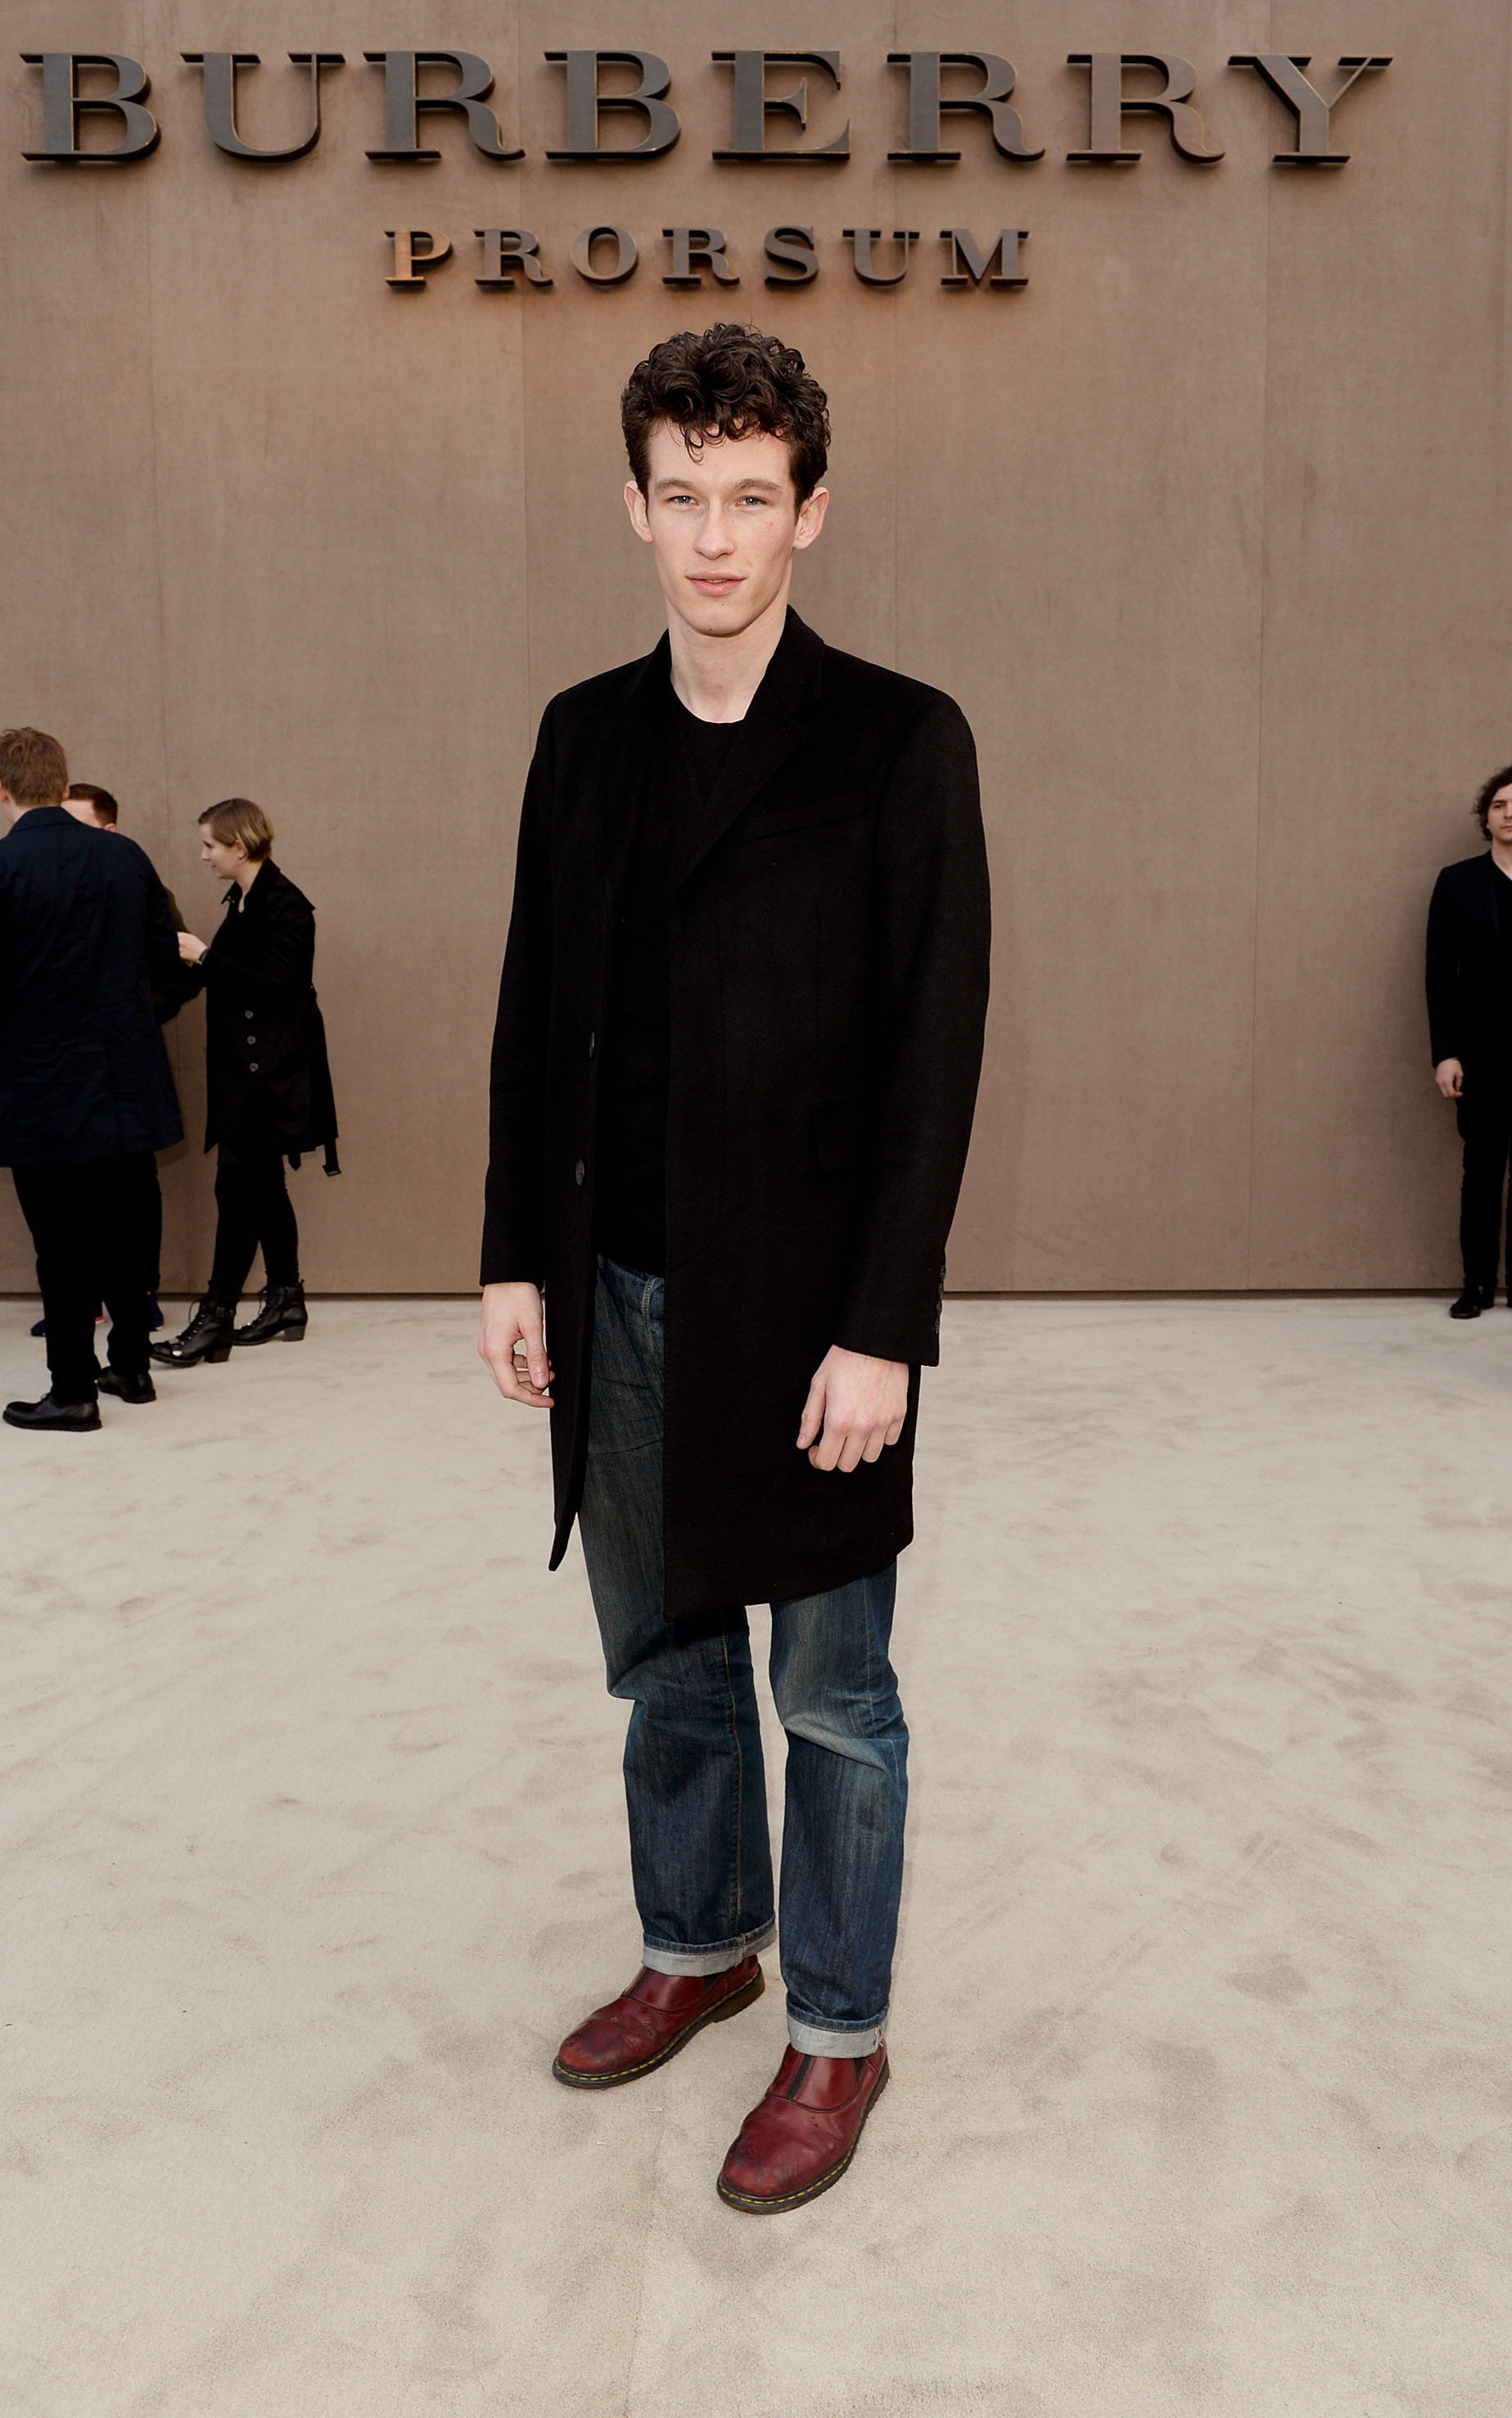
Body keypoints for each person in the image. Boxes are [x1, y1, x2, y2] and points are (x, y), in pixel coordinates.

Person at [477, 324, 991, 2214]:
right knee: (663, 1667)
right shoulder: (579, 735)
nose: (712, 538)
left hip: (803, 1318)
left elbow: (933, 1050)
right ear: (632, 505)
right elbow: (539, 1015)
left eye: (748, 498)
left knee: (834, 1693)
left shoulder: (895, 738)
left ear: (809, 510)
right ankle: (700, 1945)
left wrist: (882, 1327)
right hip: (609, 1284)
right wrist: (513, 1258)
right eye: (679, 498)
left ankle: (834, 2035)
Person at [0, 727, 184, 1426]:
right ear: (61, 779)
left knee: (60, 1246)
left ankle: (73, 1389)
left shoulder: (4, 867)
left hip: (40, 1087)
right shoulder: (124, 857)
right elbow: (166, 963)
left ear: (4, 789)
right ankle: (132, 1370)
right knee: (125, 1235)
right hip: (125, 1081)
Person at [153, 798, 338, 1367]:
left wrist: (205, 958)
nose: (203, 855)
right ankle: (285, 1298)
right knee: (262, 1186)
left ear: (239, 846)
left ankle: (215, 1317)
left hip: (271, 1077)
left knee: (239, 1190)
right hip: (250, 1075)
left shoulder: (286, 906)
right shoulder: (247, 900)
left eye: (210, 844)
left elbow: (276, 987)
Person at [60, 780, 189, 1330]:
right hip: (65, 1065)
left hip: (125, 1062)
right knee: (69, 1190)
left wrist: (133, 1012)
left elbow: (175, 968)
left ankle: (140, 1294)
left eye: (78, 824)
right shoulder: (48, 880)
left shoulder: (136, 878)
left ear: (109, 828)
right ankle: (82, 1301)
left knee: (135, 1187)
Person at [1428, 766, 1512, 1317]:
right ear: (1485, 817)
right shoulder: (1457, 881)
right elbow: (1438, 974)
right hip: (1479, 1056)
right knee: (1480, 1173)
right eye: (1500, 804)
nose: (1510, 813)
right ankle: (1476, 1285)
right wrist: (1445, 1053)